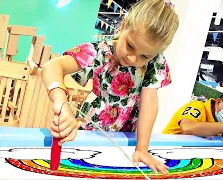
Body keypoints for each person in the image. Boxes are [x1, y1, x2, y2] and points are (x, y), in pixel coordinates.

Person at [42, 0, 179, 175]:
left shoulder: (155, 62)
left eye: (144, 56)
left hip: (124, 139)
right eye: (130, 45)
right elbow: (51, 67)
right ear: (123, 26)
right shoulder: (98, 52)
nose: (132, 58)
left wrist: (142, 148)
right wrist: (61, 104)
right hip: (89, 132)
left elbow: (149, 102)